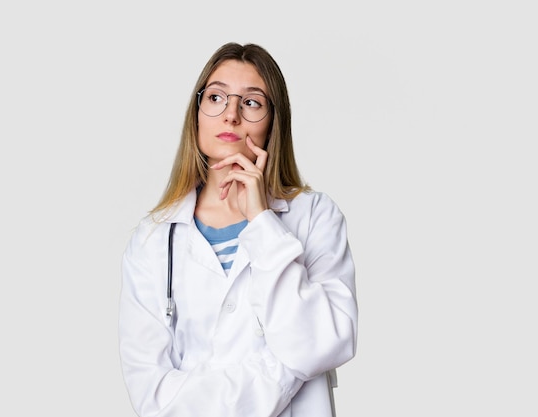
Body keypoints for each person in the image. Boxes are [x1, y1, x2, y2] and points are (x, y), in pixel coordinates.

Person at [118, 42, 358, 417]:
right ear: (196, 114)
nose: (230, 115)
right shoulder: (152, 240)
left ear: (274, 121)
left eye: (251, 102)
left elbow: (321, 345)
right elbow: (152, 397)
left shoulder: (314, 216)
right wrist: (285, 373)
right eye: (216, 97)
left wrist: (263, 222)